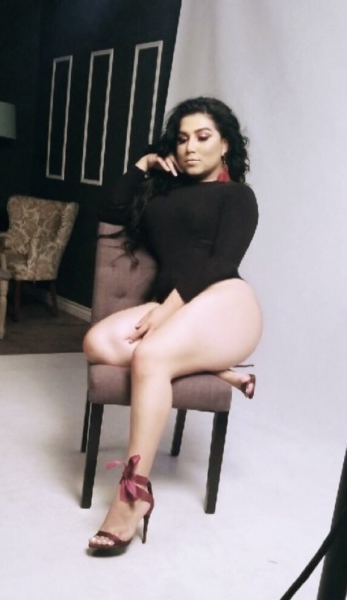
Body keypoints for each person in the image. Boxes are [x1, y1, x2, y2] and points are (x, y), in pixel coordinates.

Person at [83, 96, 263, 553]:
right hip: (174, 310)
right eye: (182, 139)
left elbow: (221, 262)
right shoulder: (162, 191)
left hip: (224, 304)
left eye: (203, 137)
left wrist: (165, 310)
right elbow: (110, 209)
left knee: (150, 354)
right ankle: (220, 370)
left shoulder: (238, 196)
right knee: (97, 342)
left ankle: (132, 494)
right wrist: (142, 165)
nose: (190, 148)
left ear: (225, 144)